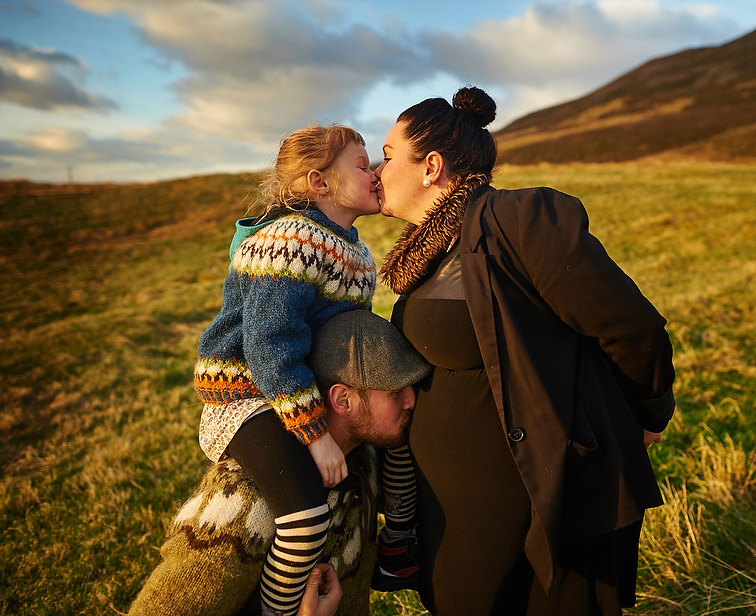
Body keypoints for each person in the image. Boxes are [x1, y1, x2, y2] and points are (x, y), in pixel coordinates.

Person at [374, 86, 677, 615]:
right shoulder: (425, 253)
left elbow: (632, 326)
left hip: (529, 501)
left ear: (431, 167)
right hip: (455, 510)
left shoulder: (520, 222)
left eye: (388, 156)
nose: (379, 171)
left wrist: (648, 412)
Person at [193, 124, 383, 616]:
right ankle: (277, 613)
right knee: (304, 519)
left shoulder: (356, 253)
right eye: (362, 166)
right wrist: (316, 434)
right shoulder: (290, 241)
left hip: (290, 389)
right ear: (320, 183)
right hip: (243, 394)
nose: (375, 174)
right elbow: (268, 345)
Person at [128, 309, 432, 616]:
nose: (411, 400)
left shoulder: (364, 462)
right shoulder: (242, 503)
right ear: (342, 400)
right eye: (395, 392)